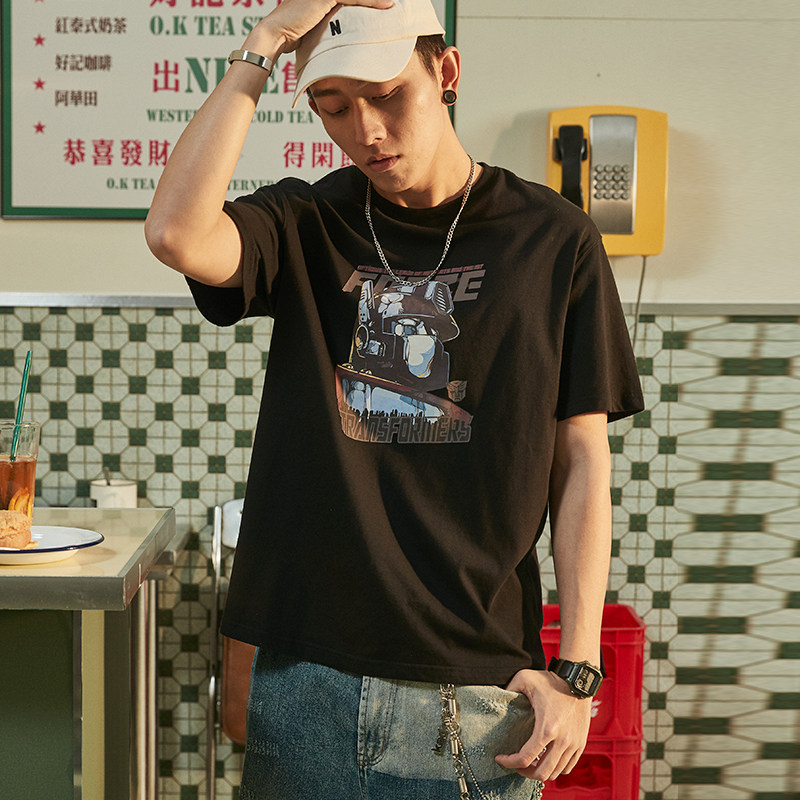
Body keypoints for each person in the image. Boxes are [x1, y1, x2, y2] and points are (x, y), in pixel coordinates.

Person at [145, 1, 644, 798]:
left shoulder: (555, 240)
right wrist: (264, 43)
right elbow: (176, 233)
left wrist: (577, 672)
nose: (366, 131)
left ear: (446, 72)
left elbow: (580, 460)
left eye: (386, 96)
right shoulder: (307, 221)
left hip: (480, 697)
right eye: (333, 107)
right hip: (308, 681)